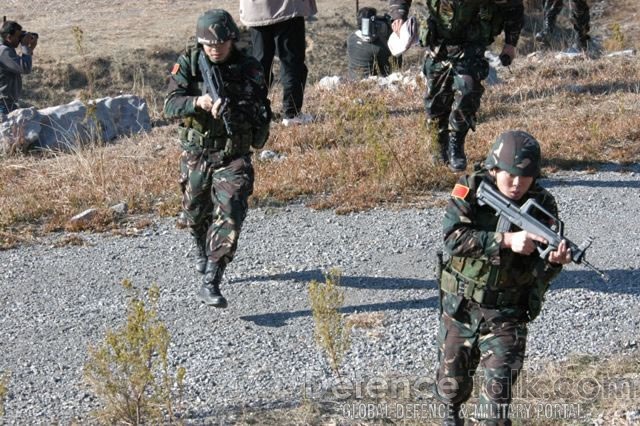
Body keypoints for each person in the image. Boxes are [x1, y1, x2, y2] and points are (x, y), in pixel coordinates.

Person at [434, 130, 572, 425]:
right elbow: (452, 238)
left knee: (495, 410)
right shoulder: (469, 188)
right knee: (451, 388)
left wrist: (554, 262)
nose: (517, 184)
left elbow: (540, 272)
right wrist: (507, 241)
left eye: (525, 177)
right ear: (494, 168)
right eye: (509, 175)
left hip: (507, 313)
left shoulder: (543, 204)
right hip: (461, 307)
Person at [164, 9, 271, 308]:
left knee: (231, 212)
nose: (214, 49)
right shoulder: (189, 62)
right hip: (197, 153)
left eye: (221, 44)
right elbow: (169, 105)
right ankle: (201, 247)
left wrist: (237, 108)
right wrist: (198, 102)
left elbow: (262, 108)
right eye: (208, 44)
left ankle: (212, 279)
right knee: (196, 212)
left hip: (233, 155)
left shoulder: (249, 67)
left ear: (232, 40)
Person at [388, 0, 524, 172]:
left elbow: (514, 7)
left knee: (467, 91)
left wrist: (510, 44)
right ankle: (438, 146)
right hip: (439, 43)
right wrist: (399, 14)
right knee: (436, 100)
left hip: (471, 43)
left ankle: (456, 145)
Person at [239, 0, 317, 126]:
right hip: (287, 8)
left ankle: (257, 111)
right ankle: (292, 114)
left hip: (255, 10)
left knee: (260, 64)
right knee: (291, 61)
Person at [347, 7, 398, 80]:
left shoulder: (351, 38)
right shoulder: (378, 47)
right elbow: (391, 68)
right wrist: (389, 35)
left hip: (352, 83)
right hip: (370, 85)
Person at [0, 20, 37, 115]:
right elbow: (25, 68)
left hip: (8, 103)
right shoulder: (3, 51)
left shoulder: (6, 49)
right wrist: (24, 46)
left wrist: (30, 48)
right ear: (9, 37)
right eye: (18, 36)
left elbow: (20, 64)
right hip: (3, 105)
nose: (20, 39)